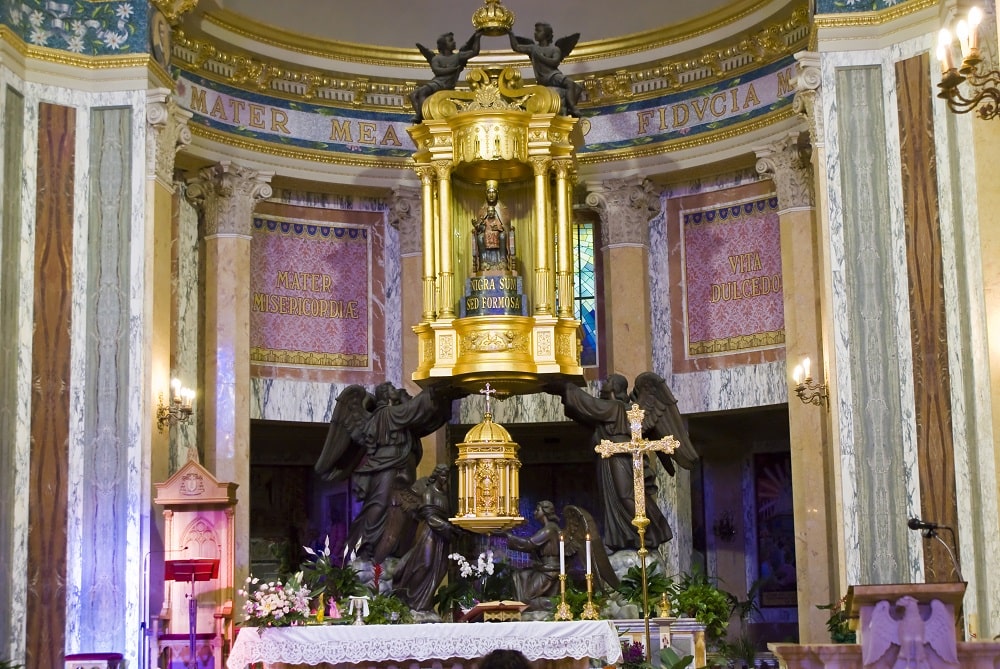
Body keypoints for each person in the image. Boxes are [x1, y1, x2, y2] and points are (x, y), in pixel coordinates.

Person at [545, 373, 698, 551]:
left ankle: (652, 529)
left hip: (621, 458)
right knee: (616, 500)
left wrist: (567, 387)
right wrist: (566, 393)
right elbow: (584, 412)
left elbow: (590, 405)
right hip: (610, 460)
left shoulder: (617, 408)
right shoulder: (610, 411)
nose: (604, 384)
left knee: (626, 496)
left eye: (608, 381)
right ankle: (627, 537)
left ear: (616, 388)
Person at [315, 382, 456, 562]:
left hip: (397, 469)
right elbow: (414, 409)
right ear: (385, 396)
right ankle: (367, 547)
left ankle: (389, 551)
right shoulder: (386, 413)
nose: (397, 390)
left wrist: (443, 399)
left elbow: (425, 419)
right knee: (380, 505)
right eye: (392, 389)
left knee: (397, 511)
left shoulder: (400, 419)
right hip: (386, 468)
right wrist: (434, 389)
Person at [392, 465, 459, 611]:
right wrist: (447, 526)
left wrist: (453, 528)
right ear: (436, 475)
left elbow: (448, 515)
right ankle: (412, 599)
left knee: (440, 569)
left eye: (447, 476)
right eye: (442, 475)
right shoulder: (429, 492)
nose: (445, 479)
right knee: (425, 564)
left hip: (443, 539)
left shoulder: (444, 495)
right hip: (429, 534)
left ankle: (425, 603)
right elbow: (429, 516)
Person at [508, 23, 582, 117]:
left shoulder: (555, 49)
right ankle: (572, 107)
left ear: (546, 34)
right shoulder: (533, 48)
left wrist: (540, 57)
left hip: (553, 75)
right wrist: (510, 33)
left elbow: (555, 62)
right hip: (544, 79)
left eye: (538, 31)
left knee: (573, 85)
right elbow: (516, 47)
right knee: (570, 84)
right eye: (535, 31)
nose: (535, 33)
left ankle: (572, 107)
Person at [410, 30, 483, 123]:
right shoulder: (436, 58)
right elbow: (437, 70)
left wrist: (477, 37)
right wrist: (452, 69)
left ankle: (421, 115)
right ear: (444, 45)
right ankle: (420, 115)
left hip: (445, 84)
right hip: (437, 82)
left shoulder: (458, 57)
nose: (454, 42)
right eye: (451, 40)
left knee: (422, 92)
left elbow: (474, 51)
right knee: (412, 95)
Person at [504, 500, 561, 609]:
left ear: (544, 511)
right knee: (520, 576)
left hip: (549, 570)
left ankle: (556, 604)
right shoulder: (549, 528)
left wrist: (507, 536)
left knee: (526, 599)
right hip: (543, 568)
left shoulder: (549, 529)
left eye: (537, 510)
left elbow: (529, 544)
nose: (534, 512)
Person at [472, 180, 512, 273]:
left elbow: (506, 227)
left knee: (502, 236)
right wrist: (477, 227)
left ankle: (502, 261)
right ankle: (484, 261)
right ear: (486, 194)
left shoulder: (503, 209)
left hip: (499, 236)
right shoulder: (482, 210)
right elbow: (480, 228)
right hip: (486, 235)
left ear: (497, 193)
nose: (491, 195)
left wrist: (498, 229)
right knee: (480, 237)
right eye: (489, 192)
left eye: (493, 192)